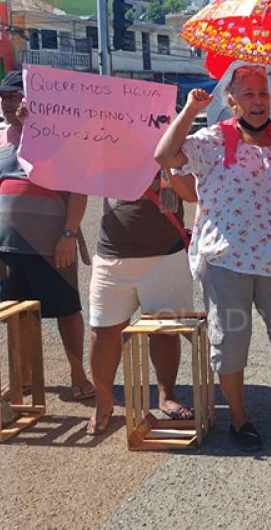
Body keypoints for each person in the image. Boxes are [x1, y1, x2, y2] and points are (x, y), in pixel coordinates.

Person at [155, 64, 271, 453]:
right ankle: (239, 418)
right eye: (248, 94)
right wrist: (190, 111)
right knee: (231, 341)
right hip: (227, 261)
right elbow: (164, 154)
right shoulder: (214, 139)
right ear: (231, 102)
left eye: (263, 93)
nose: (258, 101)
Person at [0, 70, 94, 401]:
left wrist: (68, 234)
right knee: (16, 315)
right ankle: (23, 377)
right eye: (5, 97)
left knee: (67, 310)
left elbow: (79, 190)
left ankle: (78, 374)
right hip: (7, 247)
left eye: (15, 96)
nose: (8, 103)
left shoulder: (58, 139)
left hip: (54, 247)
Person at [84, 170, 198, 435]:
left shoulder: (171, 147)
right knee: (102, 332)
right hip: (112, 255)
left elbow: (192, 194)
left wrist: (165, 166)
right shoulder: (109, 147)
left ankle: (166, 395)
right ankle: (103, 403)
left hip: (166, 255)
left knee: (166, 331)